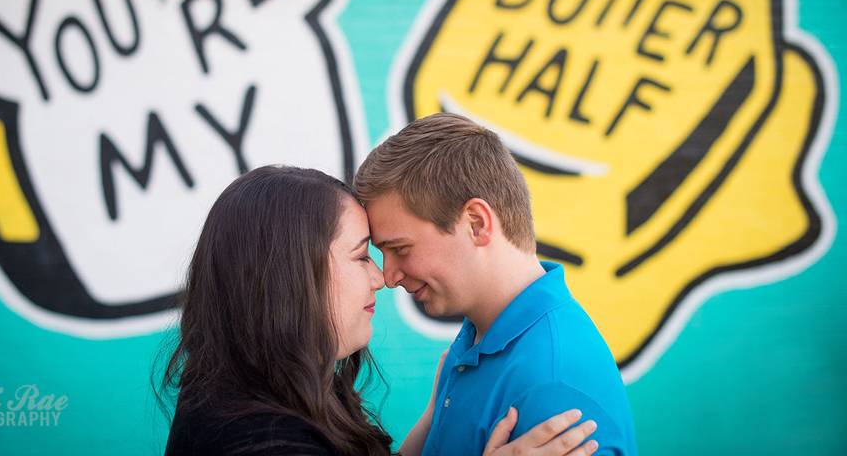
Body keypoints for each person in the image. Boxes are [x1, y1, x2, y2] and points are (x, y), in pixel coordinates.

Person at [159, 165, 600, 455]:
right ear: (290, 279)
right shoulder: (261, 443)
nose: (381, 278)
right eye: (359, 257)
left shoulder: (262, 386)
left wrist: (434, 417)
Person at [354, 113, 638, 455]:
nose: (389, 276)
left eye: (400, 249)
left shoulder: (552, 383)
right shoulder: (482, 336)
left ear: (476, 223)